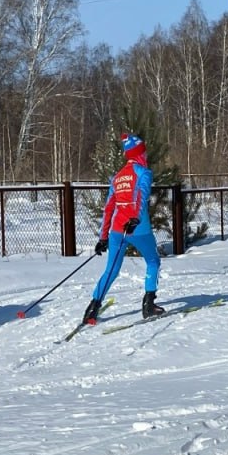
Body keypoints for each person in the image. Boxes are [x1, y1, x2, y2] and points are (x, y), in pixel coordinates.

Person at [81, 133, 165, 325]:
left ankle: (92, 309)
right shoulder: (144, 173)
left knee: (111, 270)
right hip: (138, 229)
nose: (146, 156)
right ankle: (149, 304)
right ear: (139, 153)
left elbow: (109, 207)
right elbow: (141, 196)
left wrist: (103, 237)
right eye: (144, 152)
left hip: (117, 231)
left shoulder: (117, 177)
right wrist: (135, 218)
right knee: (153, 261)